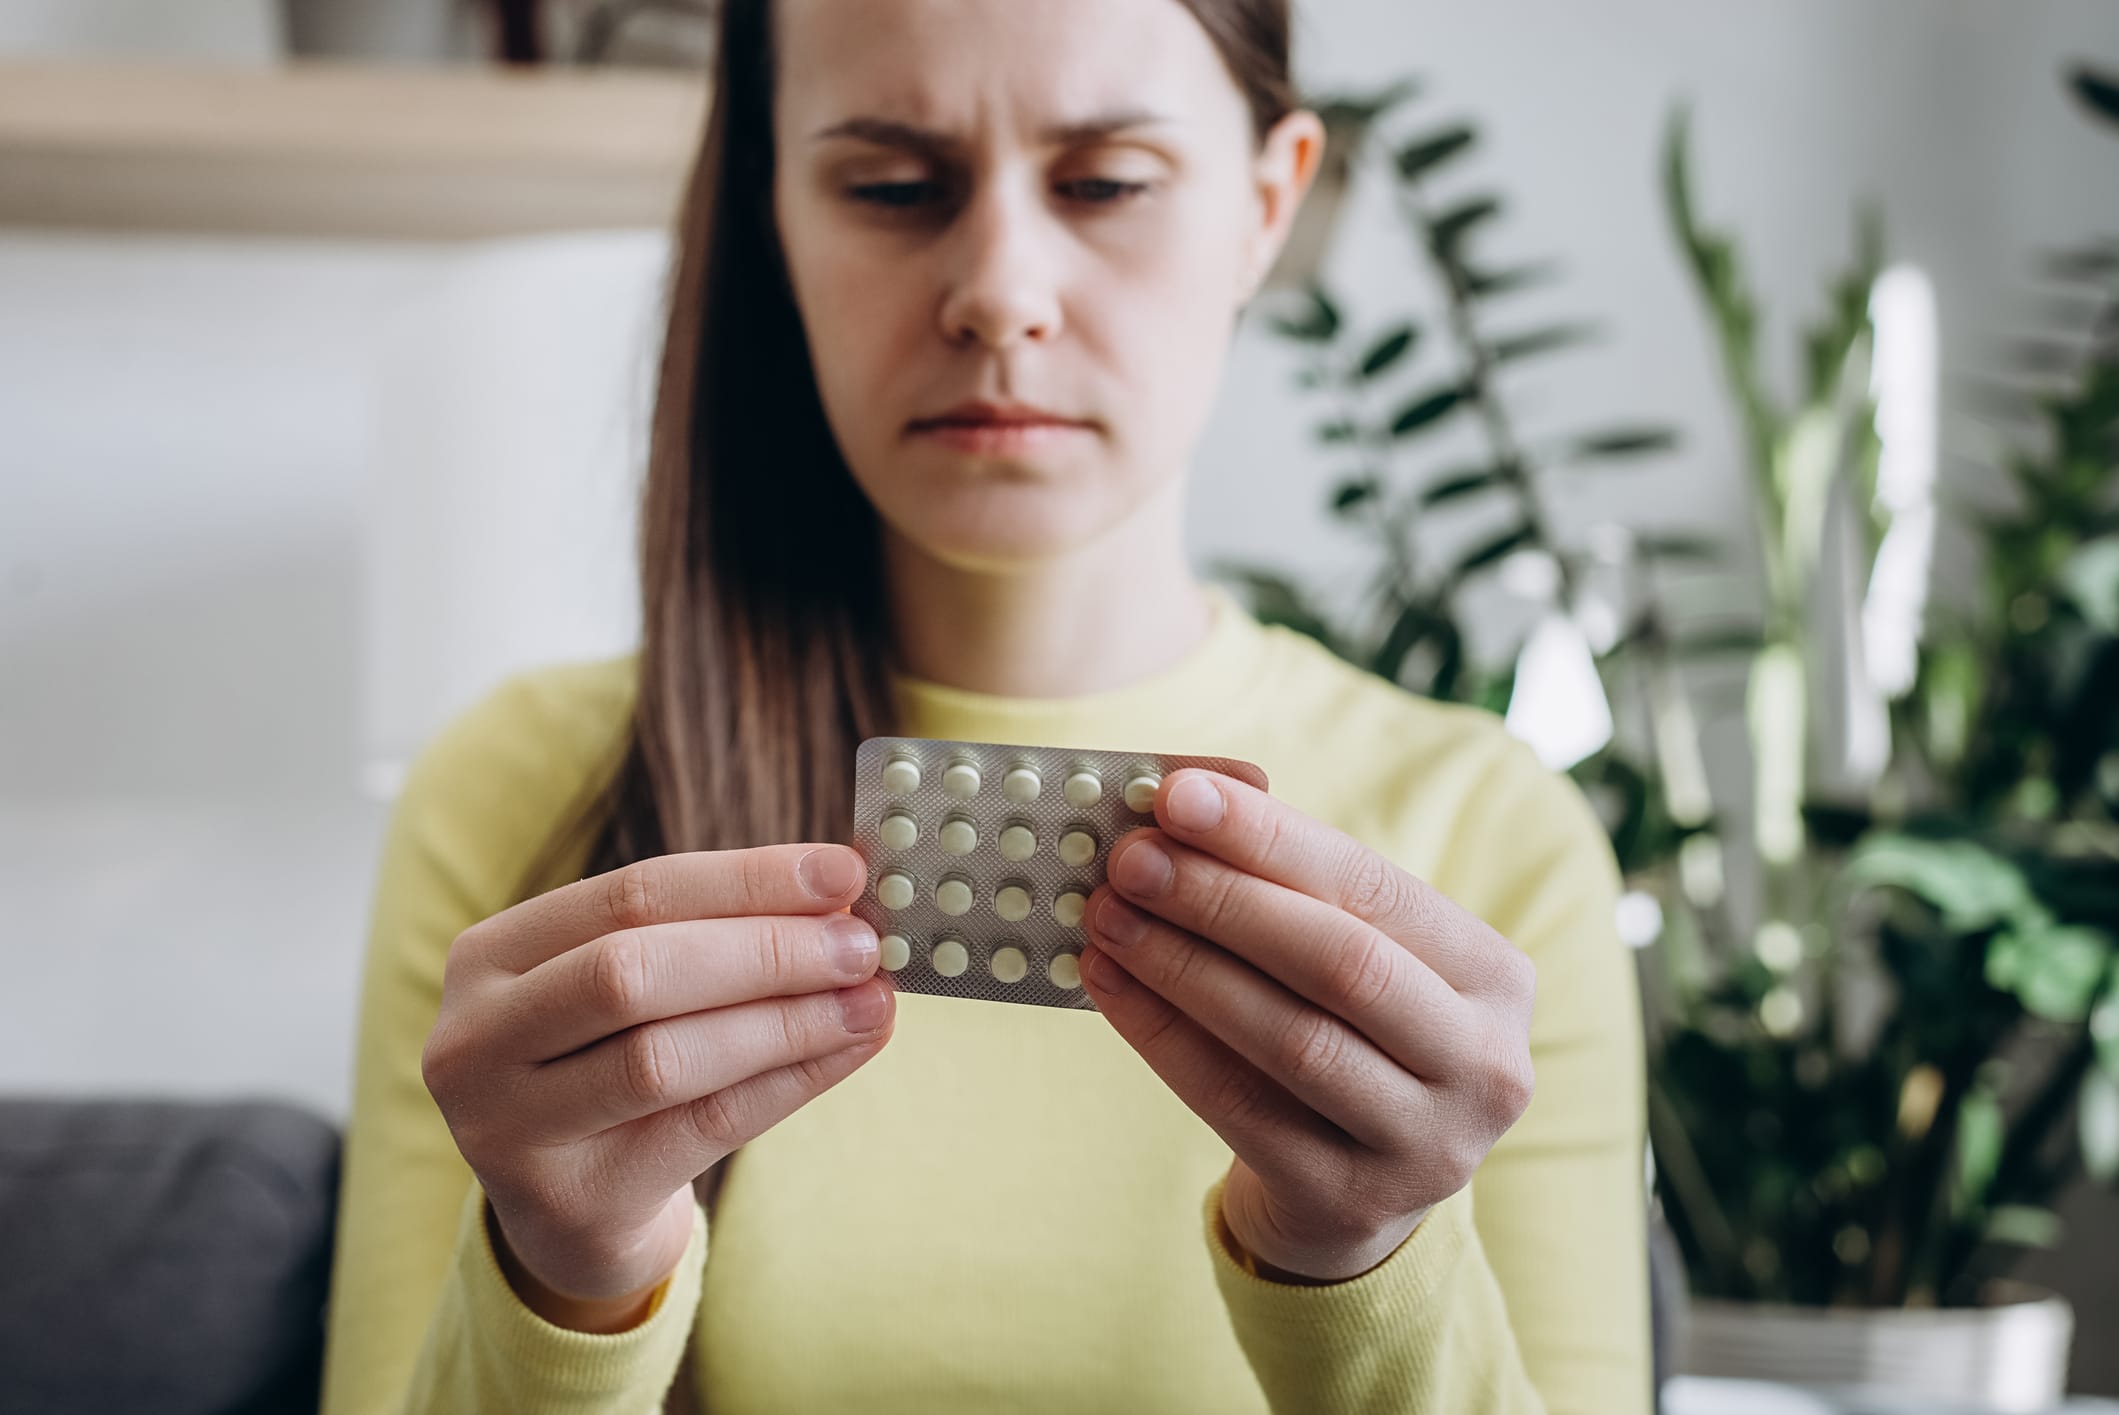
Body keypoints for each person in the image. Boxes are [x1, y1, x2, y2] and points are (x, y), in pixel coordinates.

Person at [318, 0, 1651, 1410]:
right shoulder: (522, 798)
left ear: (1269, 203)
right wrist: (563, 1276)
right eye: (891, 187)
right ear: (771, 211)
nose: (999, 290)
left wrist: (1369, 1259)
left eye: (1107, 184)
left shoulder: (1496, 845)